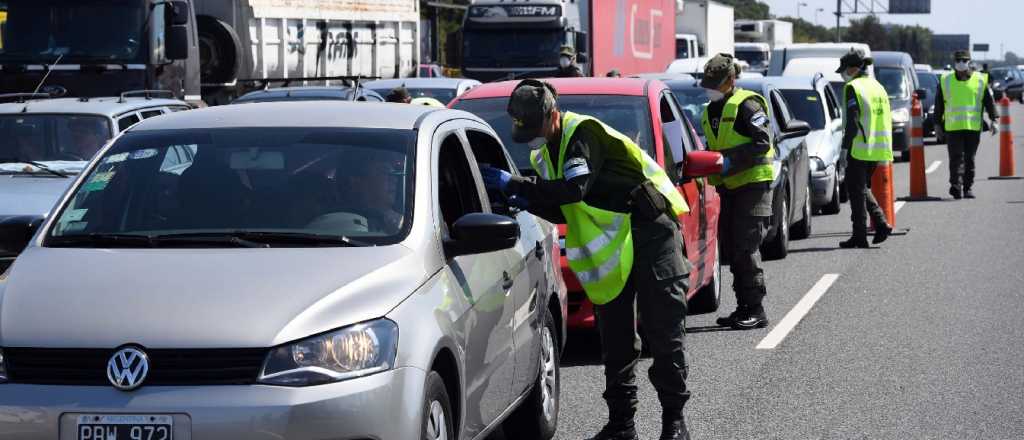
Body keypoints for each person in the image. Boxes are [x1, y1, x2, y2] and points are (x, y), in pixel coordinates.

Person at [480, 79, 692, 440]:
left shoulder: (582, 135)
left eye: (534, 127)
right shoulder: (544, 152)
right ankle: (622, 425)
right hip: (612, 244)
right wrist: (524, 200)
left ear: (552, 115)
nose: (530, 136)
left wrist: (515, 185)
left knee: (663, 332)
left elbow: (574, 189)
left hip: (650, 232)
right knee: (616, 338)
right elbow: (560, 203)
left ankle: (674, 422)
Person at [698, 53, 774, 330]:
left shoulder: (748, 105)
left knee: (745, 248)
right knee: (731, 249)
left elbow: (762, 142)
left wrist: (729, 160)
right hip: (729, 188)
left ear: (730, 80)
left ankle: (756, 308)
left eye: (715, 83)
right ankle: (743, 306)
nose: (710, 87)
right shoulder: (709, 111)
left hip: (753, 186)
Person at [836, 49, 894, 248]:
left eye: (844, 70)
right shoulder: (877, 86)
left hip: (859, 147)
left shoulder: (854, 87)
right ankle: (881, 223)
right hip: (877, 149)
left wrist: (844, 149)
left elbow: (852, 122)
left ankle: (860, 236)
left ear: (853, 68)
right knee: (861, 188)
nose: (843, 74)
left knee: (856, 191)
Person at [934, 50, 998, 199]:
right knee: (956, 157)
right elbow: (939, 105)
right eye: (958, 60)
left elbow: (989, 101)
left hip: (973, 127)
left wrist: (994, 120)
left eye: (964, 60)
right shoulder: (945, 80)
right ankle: (956, 186)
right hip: (953, 127)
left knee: (969, 158)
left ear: (969, 62)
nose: (961, 63)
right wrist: (937, 125)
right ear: (954, 62)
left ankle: (968, 187)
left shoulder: (980, 80)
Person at [336, 149, 403, 234]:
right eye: (384, 171)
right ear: (356, 181)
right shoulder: (338, 222)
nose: (394, 179)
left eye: (393, 173)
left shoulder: (407, 223)